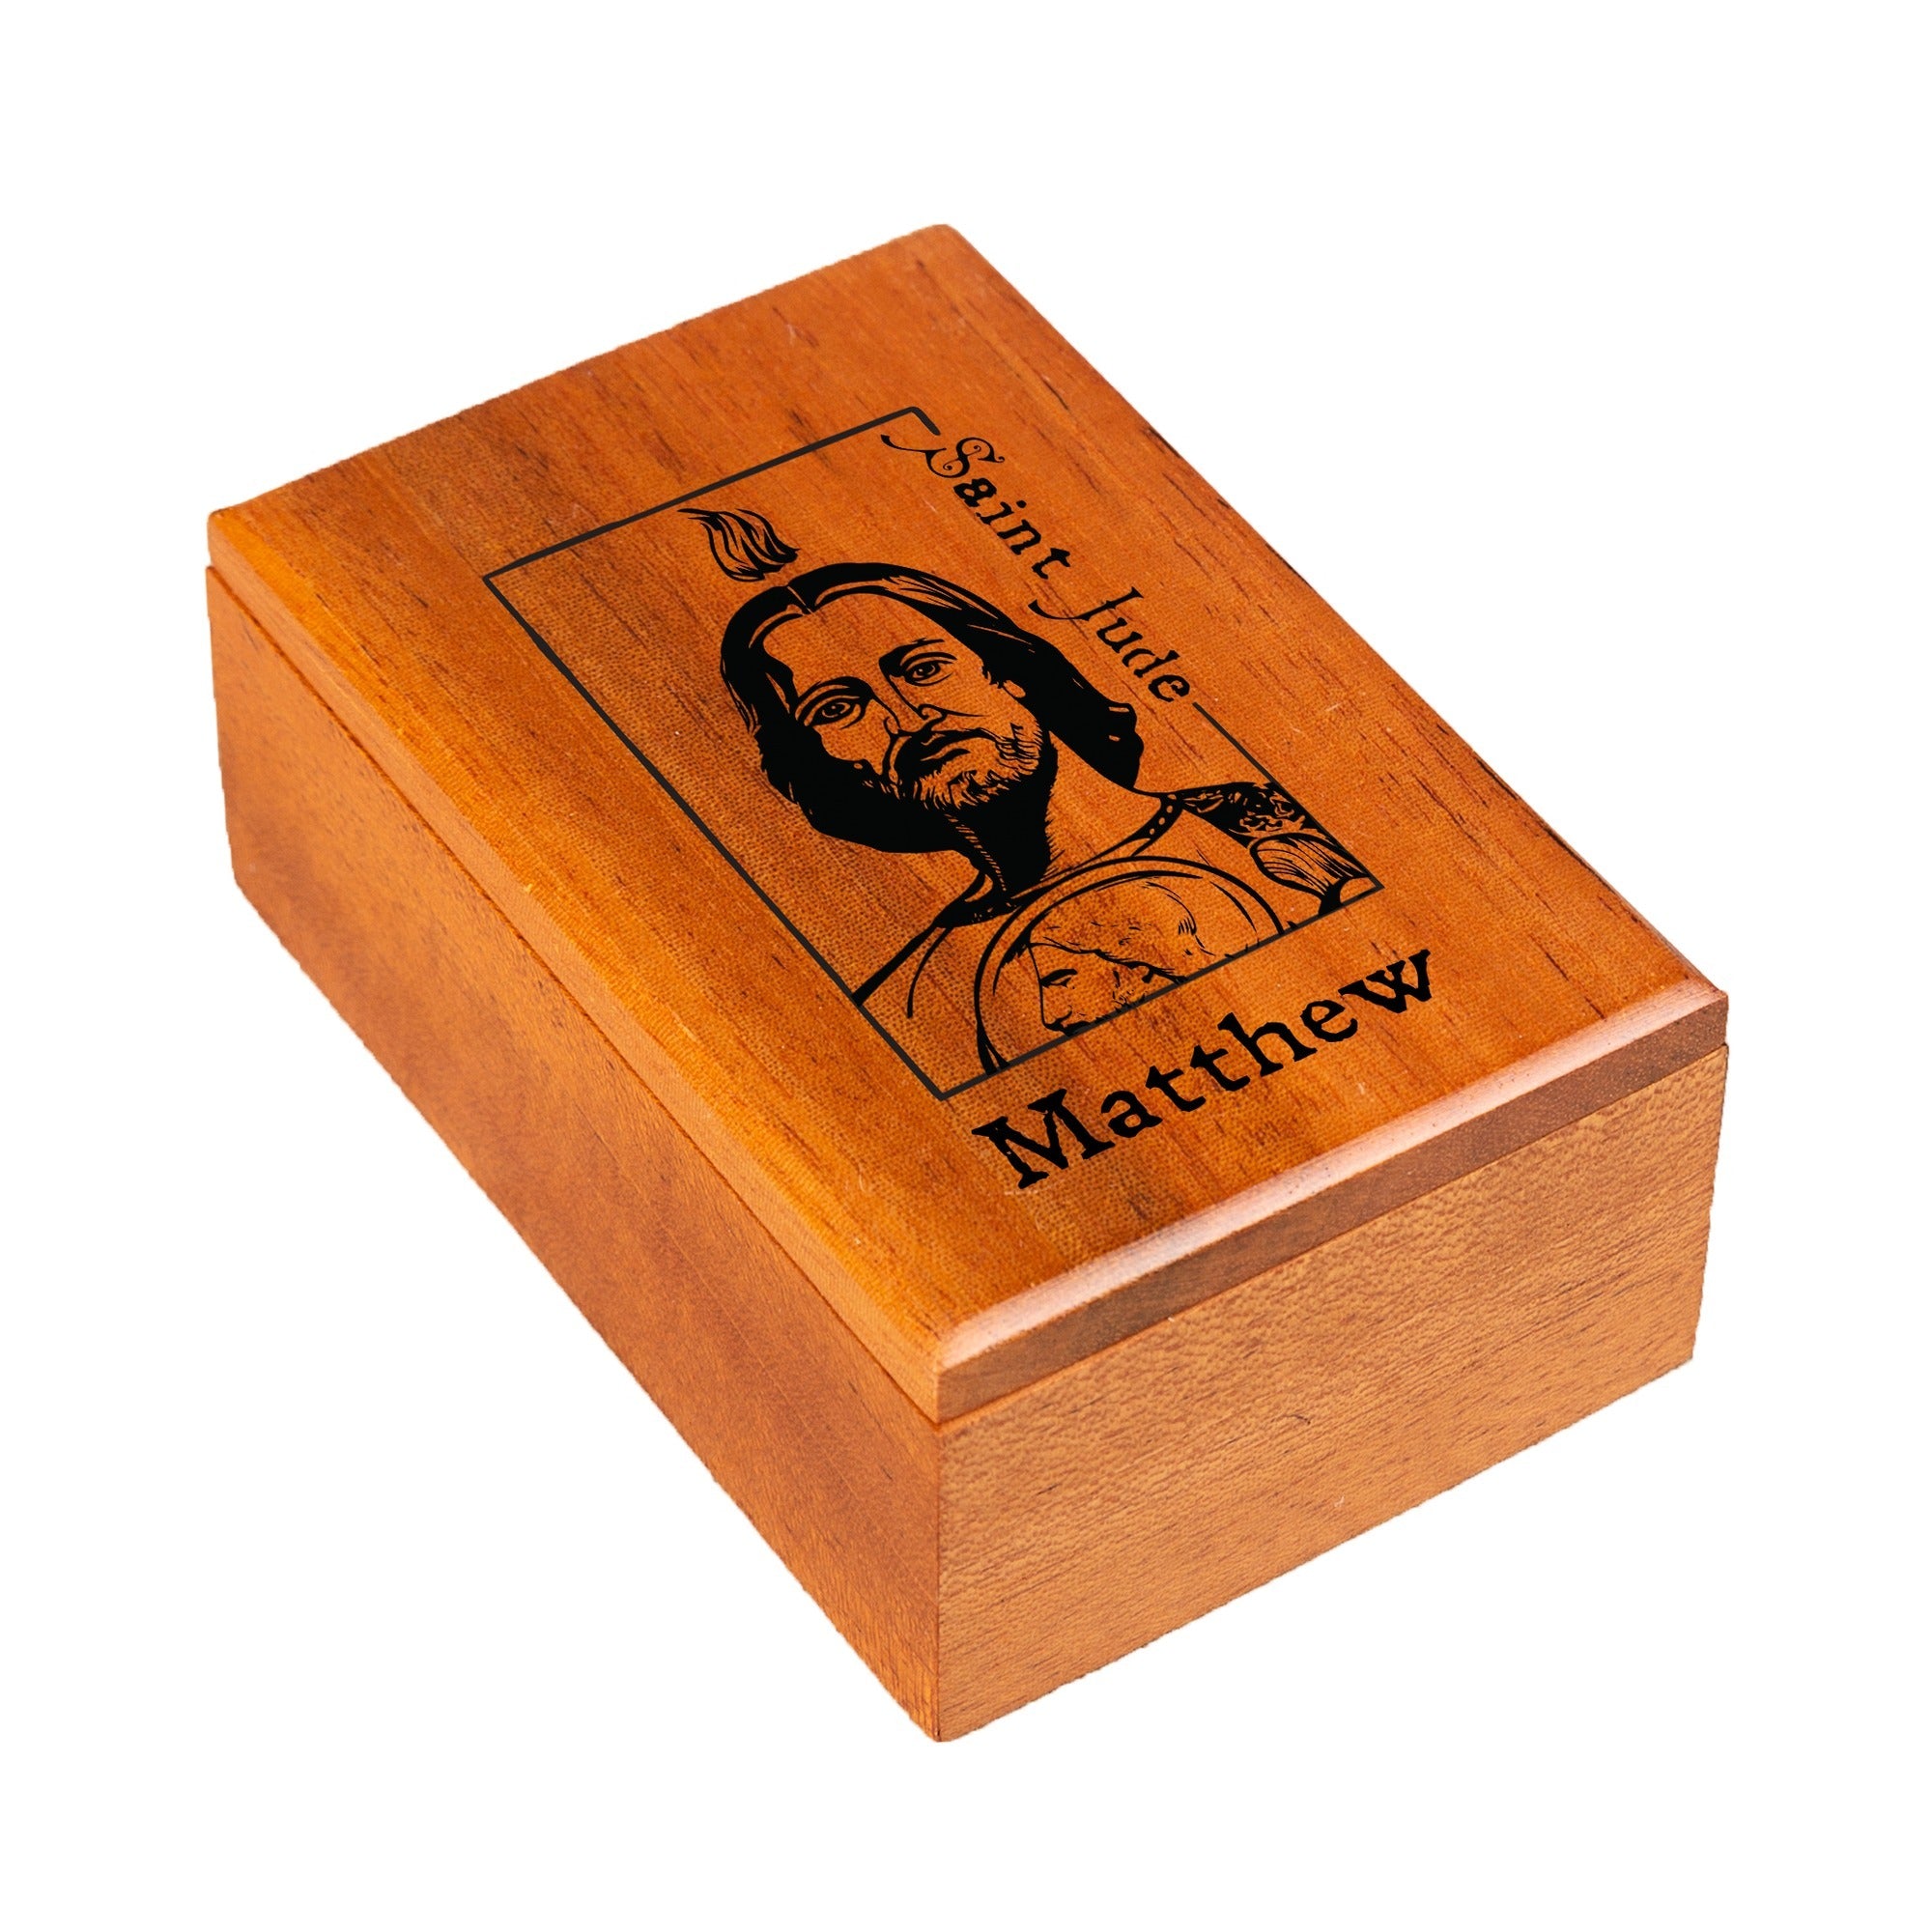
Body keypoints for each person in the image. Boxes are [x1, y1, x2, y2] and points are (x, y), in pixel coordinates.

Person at [715, 552, 1372, 1080]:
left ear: (1010, 673)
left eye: (925, 668)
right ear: (828, 762)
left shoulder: (1283, 832)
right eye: (837, 708)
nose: (908, 719)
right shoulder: (909, 1006)